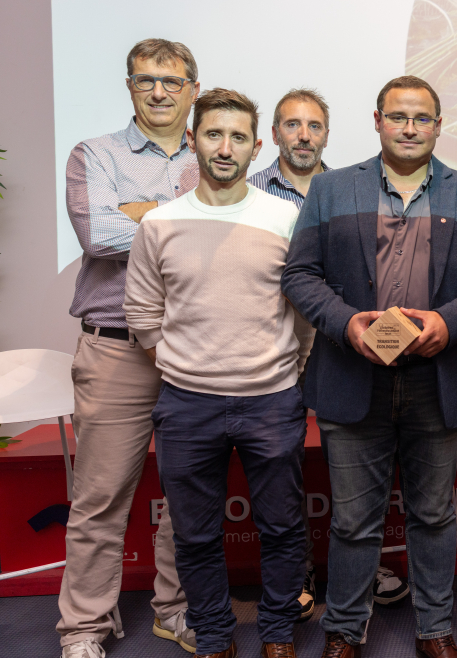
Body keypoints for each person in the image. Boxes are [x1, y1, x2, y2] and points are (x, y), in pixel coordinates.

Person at [282, 75, 457, 658]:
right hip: (351, 377)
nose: (409, 128)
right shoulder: (331, 189)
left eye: (422, 118)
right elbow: (299, 275)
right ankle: (345, 631)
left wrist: (449, 322)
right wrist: (346, 324)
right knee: (352, 522)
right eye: (398, 117)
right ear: (377, 121)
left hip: (437, 380)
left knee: (433, 515)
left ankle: (434, 629)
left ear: (438, 126)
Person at [125, 88, 312, 658]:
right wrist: (185, 368)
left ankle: (278, 631)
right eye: (213, 134)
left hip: (272, 400)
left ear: (256, 147)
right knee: (195, 533)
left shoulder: (286, 217)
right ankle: (212, 635)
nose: (225, 148)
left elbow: (304, 313)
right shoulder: (160, 223)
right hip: (187, 403)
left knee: (282, 527)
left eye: (237, 137)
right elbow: (143, 314)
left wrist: (289, 371)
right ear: (192, 139)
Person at [59, 38, 198, 658]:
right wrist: (183, 222)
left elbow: (224, 237)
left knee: (189, 495)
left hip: (194, 351)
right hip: (117, 349)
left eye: (172, 81)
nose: (159, 92)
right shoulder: (95, 154)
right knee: (100, 499)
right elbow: (98, 234)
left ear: (193, 89)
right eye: (146, 80)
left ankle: (176, 609)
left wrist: (143, 213)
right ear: (129, 86)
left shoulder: (214, 152)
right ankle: (83, 628)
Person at [249, 89, 411, 617]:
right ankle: (296, 573)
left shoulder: (350, 189)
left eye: (314, 126)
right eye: (292, 125)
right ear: (274, 133)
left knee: (356, 463)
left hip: (342, 342)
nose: (303, 136)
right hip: (273, 344)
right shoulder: (247, 192)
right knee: (282, 465)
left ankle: (359, 568)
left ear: (327, 134)